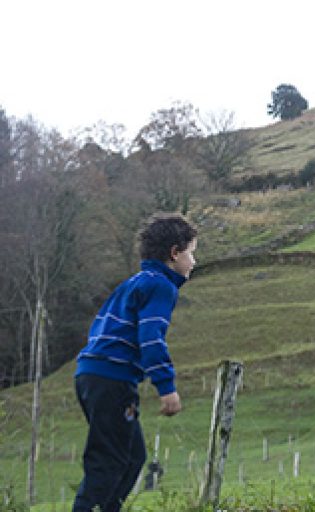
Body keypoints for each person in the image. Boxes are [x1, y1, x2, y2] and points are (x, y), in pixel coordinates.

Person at [73, 213, 198, 512]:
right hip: (111, 378)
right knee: (109, 459)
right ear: (174, 253)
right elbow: (151, 339)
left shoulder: (135, 282)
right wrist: (166, 388)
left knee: (131, 456)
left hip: (92, 374)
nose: (194, 261)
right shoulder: (161, 287)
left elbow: (101, 327)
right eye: (192, 252)